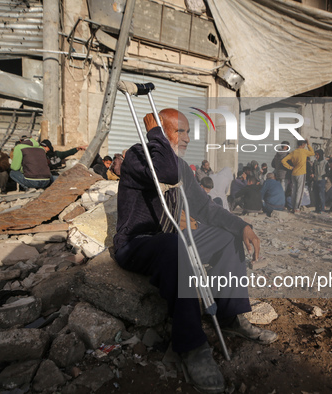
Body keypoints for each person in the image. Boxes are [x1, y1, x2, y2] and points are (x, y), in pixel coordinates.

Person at [114, 108, 277, 394]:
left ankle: (229, 315)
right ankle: (191, 346)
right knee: (176, 245)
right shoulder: (138, 156)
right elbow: (163, 171)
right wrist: (155, 135)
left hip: (169, 238)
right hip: (137, 243)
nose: (188, 137)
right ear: (162, 132)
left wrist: (242, 226)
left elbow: (206, 208)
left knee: (227, 237)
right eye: (181, 131)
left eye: (189, 131)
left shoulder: (180, 167)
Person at [281, 139, 314, 213]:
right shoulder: (304, 151)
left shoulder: (293, 152)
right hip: (301, 173)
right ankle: (297, 208)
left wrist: (290, 167)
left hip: (294, 173)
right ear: (303, 145)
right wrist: (309, 144)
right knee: (300, 191)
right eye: (305, 145)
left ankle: (293, 207)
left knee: (294, 190)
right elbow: (312, 153)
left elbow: (283, 160)